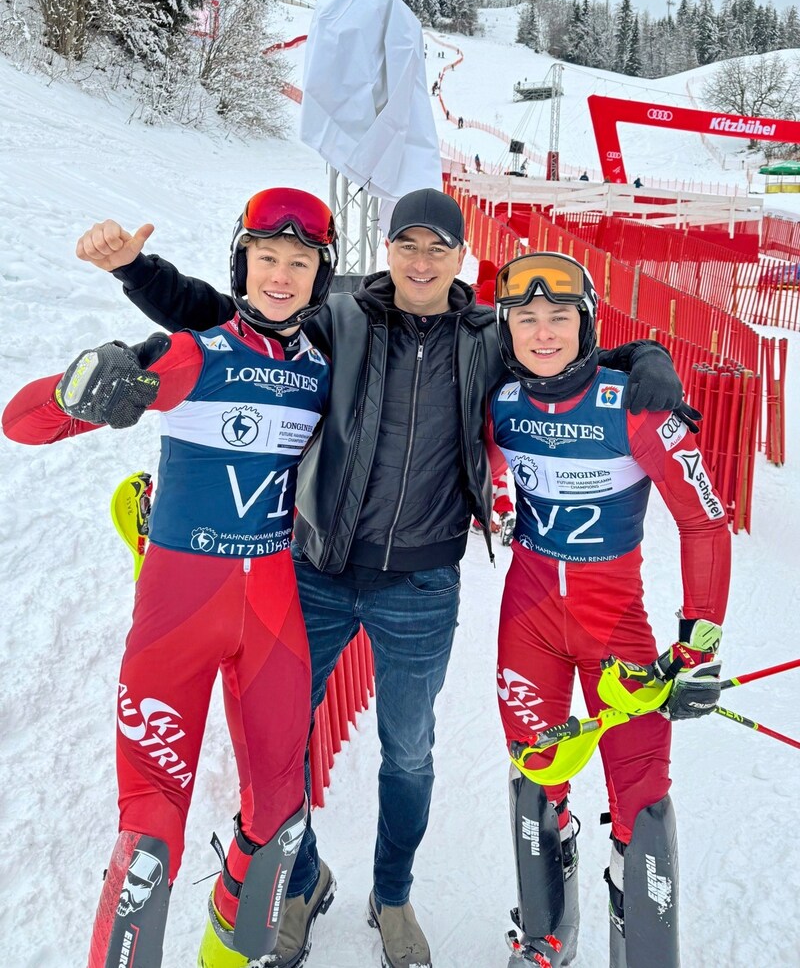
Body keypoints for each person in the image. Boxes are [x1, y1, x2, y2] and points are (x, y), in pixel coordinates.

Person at [74, 188, 692, 968]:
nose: (423, 260)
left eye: (439, 247)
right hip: (319, 568)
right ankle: (297, 883)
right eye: (409, 244)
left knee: (408, 753)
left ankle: (391, 893)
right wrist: (137, 269)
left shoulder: (487, 336)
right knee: (282, 741)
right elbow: (219, 314)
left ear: (459, 257)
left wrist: (649, 359)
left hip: (422, 585)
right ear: (390, 249)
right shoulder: (339, 313)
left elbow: (567, 350)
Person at [2, 188, 339, 968]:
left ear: (320, 276)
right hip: (182, 610)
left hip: (273, 613)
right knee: (149, 831)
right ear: (243, 262)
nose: (281, 276)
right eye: (266, 258)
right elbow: (18, 422)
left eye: (299, 261)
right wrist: (81, 385)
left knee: (281, 815)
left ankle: (228, 940)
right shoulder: (196, 353)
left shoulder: (324, 371)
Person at [488, 252, 730, 968]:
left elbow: (706, 521)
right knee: (535, 770)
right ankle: (545, 937)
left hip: (615, 629)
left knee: (643, 794)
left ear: (586, 320)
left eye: (559, 316)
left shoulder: (635, 402)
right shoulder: (495, 398)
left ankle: (648, 954)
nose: (542, 333)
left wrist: (698, 648)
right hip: (527, 621)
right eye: (525, 318)